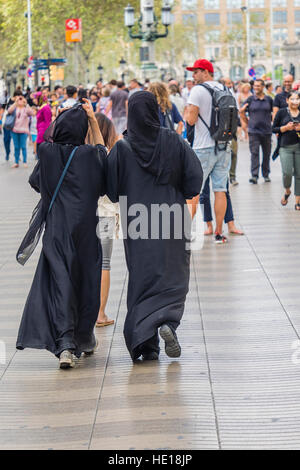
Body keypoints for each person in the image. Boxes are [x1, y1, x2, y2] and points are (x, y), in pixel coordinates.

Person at [106, 91, 203, 361]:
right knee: (173, 276)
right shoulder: (173, 140)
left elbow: (112, 191)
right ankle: (167, 323)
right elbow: (194, 178)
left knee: (142, 278)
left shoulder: (122, 148)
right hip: (172, 218)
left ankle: (144, 344)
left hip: (138, 223)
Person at [16, 100, 107, 369]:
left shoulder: (47, 153)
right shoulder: (91, 156)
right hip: (86, 233)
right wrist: (92, 121)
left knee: (60, 282)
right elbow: (105, 160)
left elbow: (35, 182)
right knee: (87, 282)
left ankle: (66, 344)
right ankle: (84, 338)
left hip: (57, 230)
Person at [186, 58, 232, 244]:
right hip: (223, 145)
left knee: (193, 191)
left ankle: (186, 233)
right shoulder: (225, 89)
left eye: (196, 71)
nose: (193, 75)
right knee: (220, 190)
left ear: (206, 72)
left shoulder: (197, 90)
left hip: (203, 147)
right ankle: (219, 233)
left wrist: (188, 110)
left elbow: (190, 120)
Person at [93, 113, 119, 327]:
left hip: (85, 214)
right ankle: (100, 314)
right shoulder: (112, 154)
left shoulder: (83, 154)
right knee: (104, 263)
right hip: (107, 214)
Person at [240, 79, 273, 184]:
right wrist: (247, 124)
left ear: (263, 87)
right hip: (254, 131)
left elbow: (274, 114)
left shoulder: (269, 99)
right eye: (254, 86)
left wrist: (271, 123)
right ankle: (254, 175)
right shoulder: (250, 100)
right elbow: (241, 112)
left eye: (258, 86)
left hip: (267, 131)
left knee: (266, 154)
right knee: (254, 153)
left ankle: (266, 174)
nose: (256, 88)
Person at [272, 91, 300, 210]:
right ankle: (287, 191)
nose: (295, 101)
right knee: (287, 173)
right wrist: (285, 128)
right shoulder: (282, 112)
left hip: (298, 147)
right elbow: (274, 129)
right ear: (287, 100)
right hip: (285, 147)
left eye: (297, 99)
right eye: (292, 99)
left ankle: (297, 201)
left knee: (299, 175)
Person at [8, 94, 34, 168]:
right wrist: (15, 102)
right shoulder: (14, 108)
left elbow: (32, 113)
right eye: (19, 99)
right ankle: (16, 162)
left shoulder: (26, 109)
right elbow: (9, 111)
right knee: (16, 147)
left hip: (23, 131)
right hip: (15, 131)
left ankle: (24, 162)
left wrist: (26, 103)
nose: (20, 101)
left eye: (21, 100)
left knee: (23, 147)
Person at [36, 92, 52, 156]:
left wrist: (46, 135)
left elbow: (47, 121)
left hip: (43, 132)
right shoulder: (42, 107)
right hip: (40, 130)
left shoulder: (45, 108)